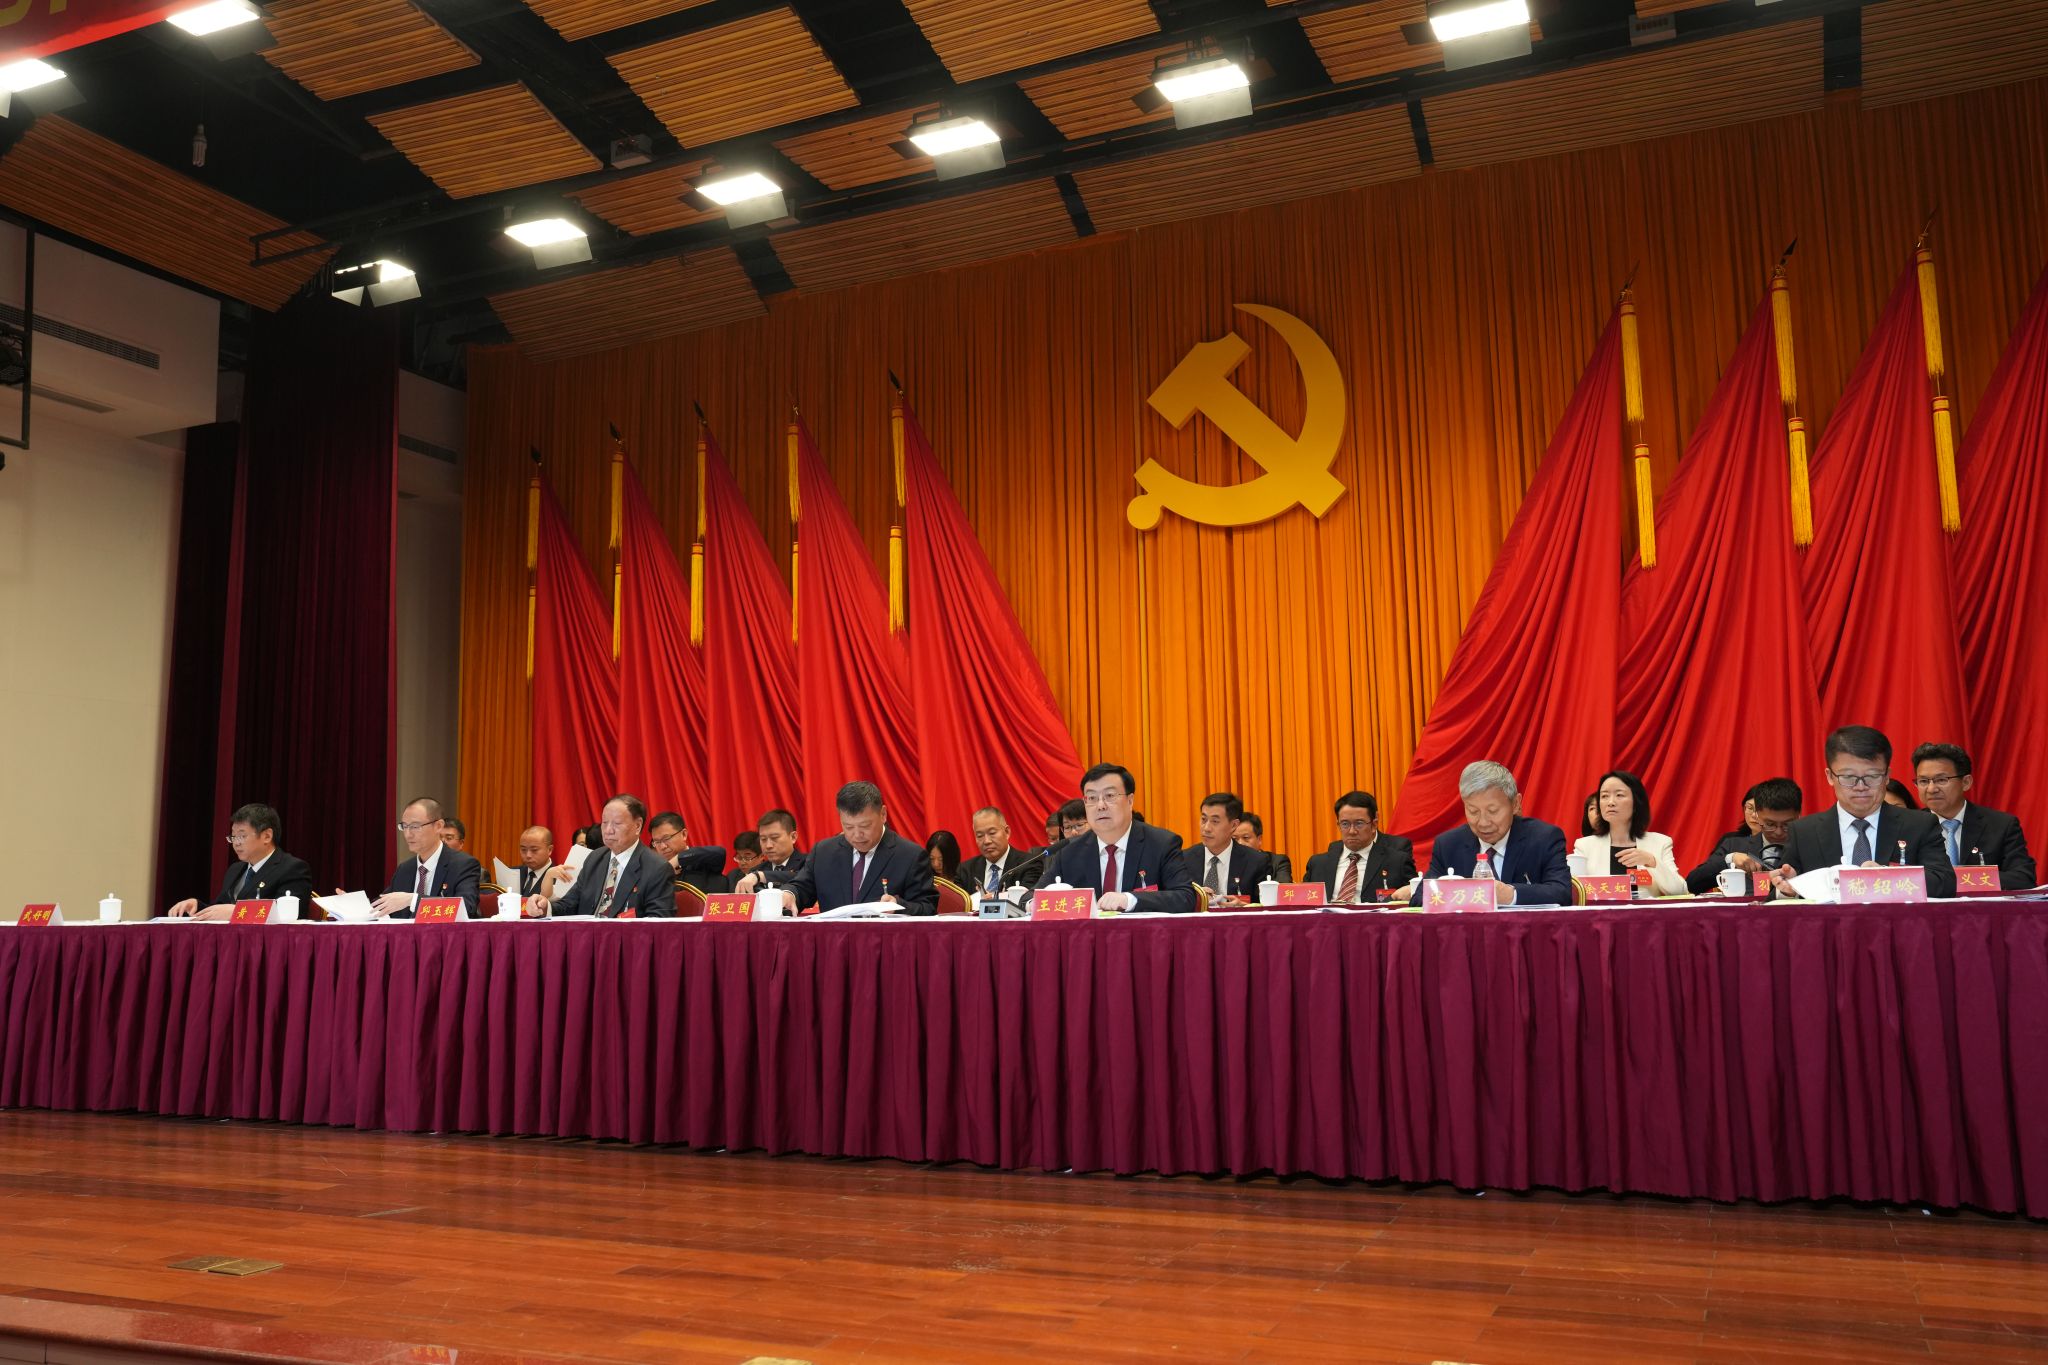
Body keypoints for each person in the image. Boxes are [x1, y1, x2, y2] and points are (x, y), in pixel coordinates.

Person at [1772, 726, 1955, 898]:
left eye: (1872, 776)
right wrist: (1789, 890)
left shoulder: (1919, 825)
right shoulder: (1804, 832)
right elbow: (1775, 894)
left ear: (1887, 776)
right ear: (1830, 776)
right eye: (1848, 777)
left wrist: (1885, 877)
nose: (1860, 786)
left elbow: (1944, 884)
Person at [741, 781, 935, 916]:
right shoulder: (824, 852)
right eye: (848, 827)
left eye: (865, 826)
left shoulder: (910, 856)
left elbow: (928, 907)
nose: (857, 835)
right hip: (832, 948)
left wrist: (899, 906)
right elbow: (802, 886)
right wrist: (789, 894)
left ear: (883, 814)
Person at [1037, 764, 1195, 914]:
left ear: (1130, 800)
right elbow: (1033, 896)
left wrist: (1130, 899)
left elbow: (1185, 897)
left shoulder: (1161, 844)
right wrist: (1032, 903)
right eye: (1092, 798)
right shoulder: (1069, 852)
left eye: (1110, 796)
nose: (1100, 805)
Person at [1417, 761, 1572, 906]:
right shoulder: (1448, 845)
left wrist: (1510, 895)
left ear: (1515, 804)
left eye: (1493, 811)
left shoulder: (1544, 838)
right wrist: (1462, 894)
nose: (1483, 822)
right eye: (1473, 811)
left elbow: (1562, 893)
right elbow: (1419, 898)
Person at [1911, 742, 2036, 889]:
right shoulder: (1909, 826)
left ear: (1966, 782)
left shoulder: (2001, 825)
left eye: (1941, 780)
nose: (1931, 789)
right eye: (1923, 781)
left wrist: (1963, 880)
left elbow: (2023, 877)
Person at [532, 794, 675, 918]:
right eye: (604, 823)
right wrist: (546, 907)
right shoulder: (595, 858)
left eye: (617, 823)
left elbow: (658, 922)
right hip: (587, 937)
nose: (608, 830)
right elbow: (571, 903)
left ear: (637, 825)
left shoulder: (657, 868)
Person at [168, 802, 315, 921]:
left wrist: (236, 912)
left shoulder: (293, 868)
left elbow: (287, 914)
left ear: (267, 836)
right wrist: (197, 906)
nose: (236, 843)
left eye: (242, 836)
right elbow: (222, 908)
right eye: (233, 836)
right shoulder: (235, 869)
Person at [1573, 770, 1687, 897]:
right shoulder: (1585, 846)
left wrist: (1652, 861)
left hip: (1645, 910)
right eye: (1604, 796)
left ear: (1636, 803)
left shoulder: (1660, 843)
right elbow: (1574, 892)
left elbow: (1680, 891)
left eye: (1619, 795)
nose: (1610, 802)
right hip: (1601, 910)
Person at [1684, 778, 1801, 894]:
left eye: (1787, 824)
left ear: (1798, 816)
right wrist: (1729, 860)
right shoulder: (1733, 845)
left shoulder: (1809, 846)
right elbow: (1692, 884)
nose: (1778, 832)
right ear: (1757, 816)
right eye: (1770, 824)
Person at [377, 797, 481, 918]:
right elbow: (381, 906)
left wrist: (413, 900)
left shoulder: (463, 865)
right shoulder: (404, 869)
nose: (408, 834)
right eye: (404, 826)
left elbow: (466, 909)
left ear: (438, 826)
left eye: (415, 826)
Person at [1305, 790, 1416, 902]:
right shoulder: (1317, 864)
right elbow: (1303, 902)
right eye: (1345, 824)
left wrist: (1393, 898)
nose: (1352, 831)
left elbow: (1416, 898)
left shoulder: (1397, 862)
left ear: (1374, 825)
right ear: (1338, 825)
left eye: (1359, 823)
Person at [1189, 792, 1273, 902]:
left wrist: (1244, 907)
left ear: (1234, 825)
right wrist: (1194, 899)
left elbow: (1265, 906)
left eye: (1215, 821)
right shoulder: (1183, 859)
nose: (1206, 828)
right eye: (1204, 819)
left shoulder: (1256, 862)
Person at [960, 807, 1039, 894]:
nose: (986, 841)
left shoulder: (1029, 864)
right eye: (980, 836)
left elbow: (1027, 898)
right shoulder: (964, 870)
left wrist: (995, 898)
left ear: (1007, 832)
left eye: (992, 833)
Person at [648, 811, 729, 896]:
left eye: (666, 838)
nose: (662, 846)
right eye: (657, 842)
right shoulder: (656, 874)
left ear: (684, 834)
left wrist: (677, 860)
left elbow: (719, 852)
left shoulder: (702, 859)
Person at [1233, 812, 1293, 885]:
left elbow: (1282, 889)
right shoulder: (1226, 863)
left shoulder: (1278, 862)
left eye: (1246, 837)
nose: (1240, 843)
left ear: (1259, 839)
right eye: (1234, 839)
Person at [754, 809, 807, 884]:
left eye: (774, 838)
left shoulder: (809, 863)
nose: (768, 846)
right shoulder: (756, 871)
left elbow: (802, 878)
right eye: (763, 839)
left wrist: (762, 876)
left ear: (793, 837)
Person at [513, 825, 555, 898]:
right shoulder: (511, 872)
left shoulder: (560, 880)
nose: (528, 855)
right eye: (523, 850)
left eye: (534, 850)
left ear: (549, 850)